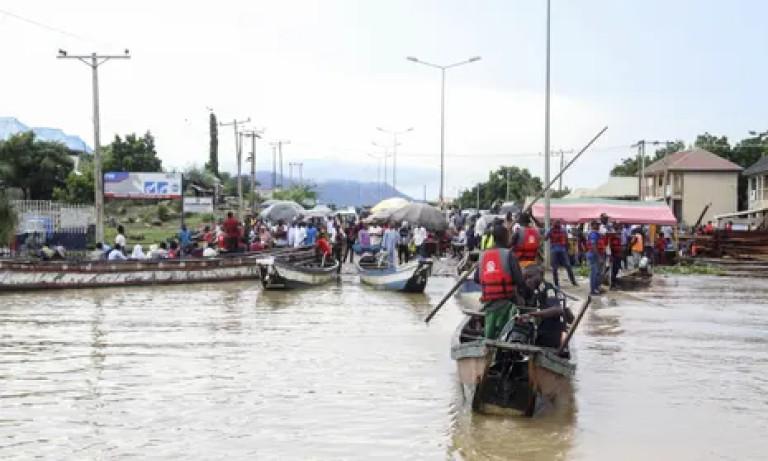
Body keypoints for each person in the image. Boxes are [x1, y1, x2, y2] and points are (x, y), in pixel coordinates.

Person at [474, 223, 530, 339]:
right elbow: (519, 281)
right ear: (505, 237)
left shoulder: (483, 255)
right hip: (507, 300)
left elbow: (476, 279)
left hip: (488, 301)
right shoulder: (509, 255)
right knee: (523, 301)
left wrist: (491, 279)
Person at [546, 219, 577, 287]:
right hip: (559, 250)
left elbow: (545, 238)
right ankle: (572, 281)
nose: (557, 225)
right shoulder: (559, 230)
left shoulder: (556, 230)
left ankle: (558, 283)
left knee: (558, 267)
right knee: (565, 266)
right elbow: (566, 240)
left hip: (557, 250)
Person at [586, 220, 606, 296]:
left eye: (598, 225)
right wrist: (599, 257)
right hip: (594, 255)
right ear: (592, 225)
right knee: (594, 273)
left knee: (598, 273)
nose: (598, 226)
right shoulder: (593, 234)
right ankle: (593, 290)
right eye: (596, 225)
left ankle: (597, 288)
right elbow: (593, 246)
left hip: (597, 255)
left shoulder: (597, 234)